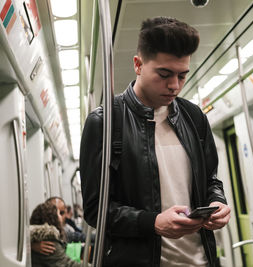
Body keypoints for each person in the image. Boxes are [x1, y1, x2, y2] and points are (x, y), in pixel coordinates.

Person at [80, 16, 231, 267]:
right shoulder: (105, 123)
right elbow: (96, 209)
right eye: (164, 74)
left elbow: (211, 181)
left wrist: (217, 202)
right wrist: (152, 222)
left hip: (201, 260)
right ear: (138, 65)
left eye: (182, 76)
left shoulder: (194, 117)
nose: (174, 86)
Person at [30, 202, 81, 267]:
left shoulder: (36, 240)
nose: (61, 217)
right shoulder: (49, 242)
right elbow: (68, 265)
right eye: (59, 214)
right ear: (53, 218)